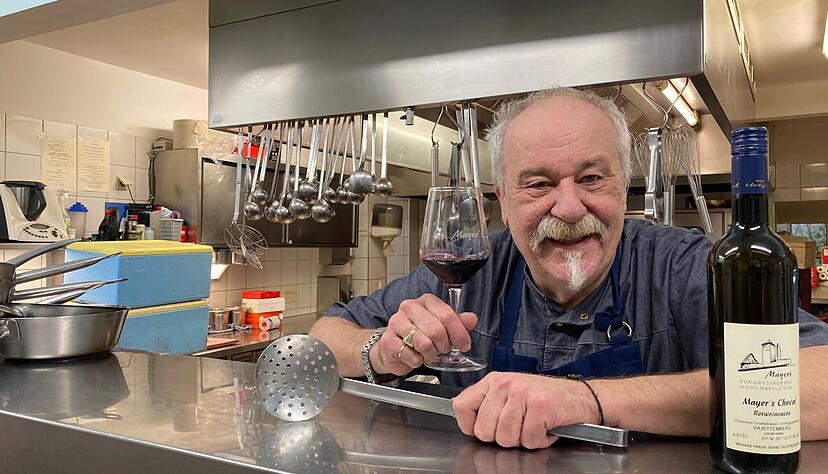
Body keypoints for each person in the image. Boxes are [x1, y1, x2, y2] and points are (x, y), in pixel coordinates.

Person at [309, 87, 828, 449]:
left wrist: (586, 400)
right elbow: (324, 337)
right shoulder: (475, 271)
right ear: (503, 204)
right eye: (537, 185)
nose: (569, 208)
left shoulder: (684, 268)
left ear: (621, 186)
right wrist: (381, 350)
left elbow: (820, 383)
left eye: (592, 178)